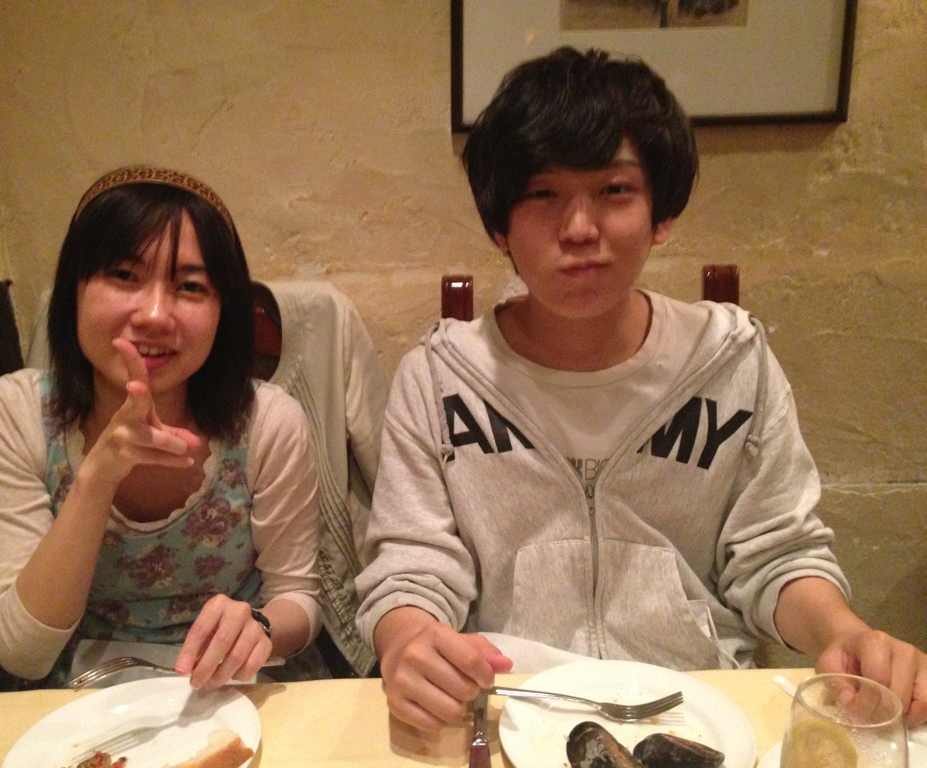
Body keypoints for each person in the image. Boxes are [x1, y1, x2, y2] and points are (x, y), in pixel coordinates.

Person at [355, 47, 927, 732]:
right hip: (511, 704)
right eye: (541, 194)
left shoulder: (732, 363)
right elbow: (413, 564)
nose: (579, 230)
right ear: (500, 225)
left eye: (614, 191)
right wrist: (408, 640)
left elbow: (775, 551)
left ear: (661, 214)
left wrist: (844, 631)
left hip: (698, 706)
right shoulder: (438, 377)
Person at [0, 165, 323, 687]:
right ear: (74, 289)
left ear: (223, 311)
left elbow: (298, 597)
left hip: (239, 686)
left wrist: (261, 628)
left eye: (190, 286)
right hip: (85, 694)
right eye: (123, 275)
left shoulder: (269, 422)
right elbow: (23, 655)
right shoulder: (13, 414)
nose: (156, 314)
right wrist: (97, 477)